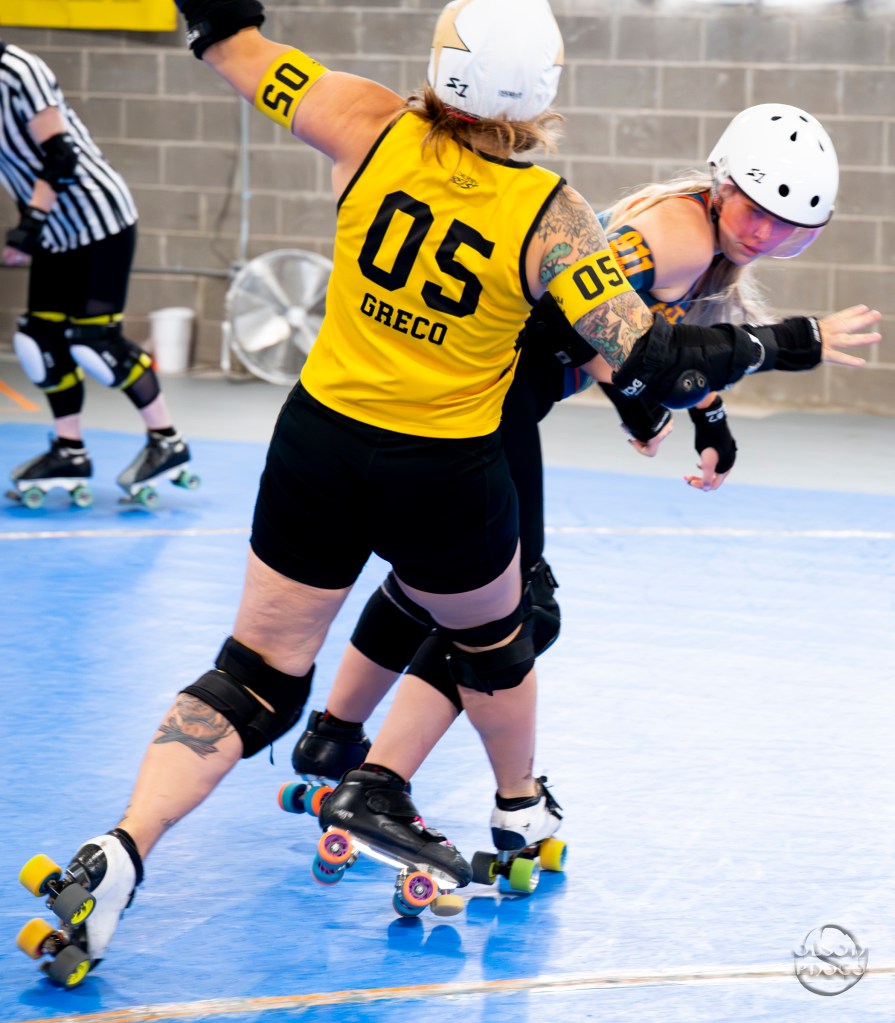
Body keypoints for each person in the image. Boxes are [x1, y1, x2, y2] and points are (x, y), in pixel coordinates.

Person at [24, 0, 879, 987]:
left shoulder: (363, 117)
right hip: (443, 465)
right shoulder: (549, 214)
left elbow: (234, 48)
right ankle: (495, 800)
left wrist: (217, 11)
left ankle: (125, 845)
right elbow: (642, 352)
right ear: (547, 91)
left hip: (319, 441)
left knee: (252, 677)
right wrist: (791, 343)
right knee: (500, 639)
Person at [288, 102, 845, 788]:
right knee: (517, 610)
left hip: (483, 402)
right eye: (755, 211)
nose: (763, 234)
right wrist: (646, 389)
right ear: (722, 184)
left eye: (787, 227)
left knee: (433, 584)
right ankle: (379, 784)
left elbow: (626, 334)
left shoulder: (693, 232)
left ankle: (333, 738)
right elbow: (562, 315)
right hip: (488, 408)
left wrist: (699, 414)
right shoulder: (680, 239)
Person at [0, 40, 193, 507]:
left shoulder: (19, 71)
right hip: (55, 230)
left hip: (99, 220)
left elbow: (61, 157)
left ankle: (167, 440)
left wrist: (29, 226)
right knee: (39, 340)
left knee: (95, 343)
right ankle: (70, 450)